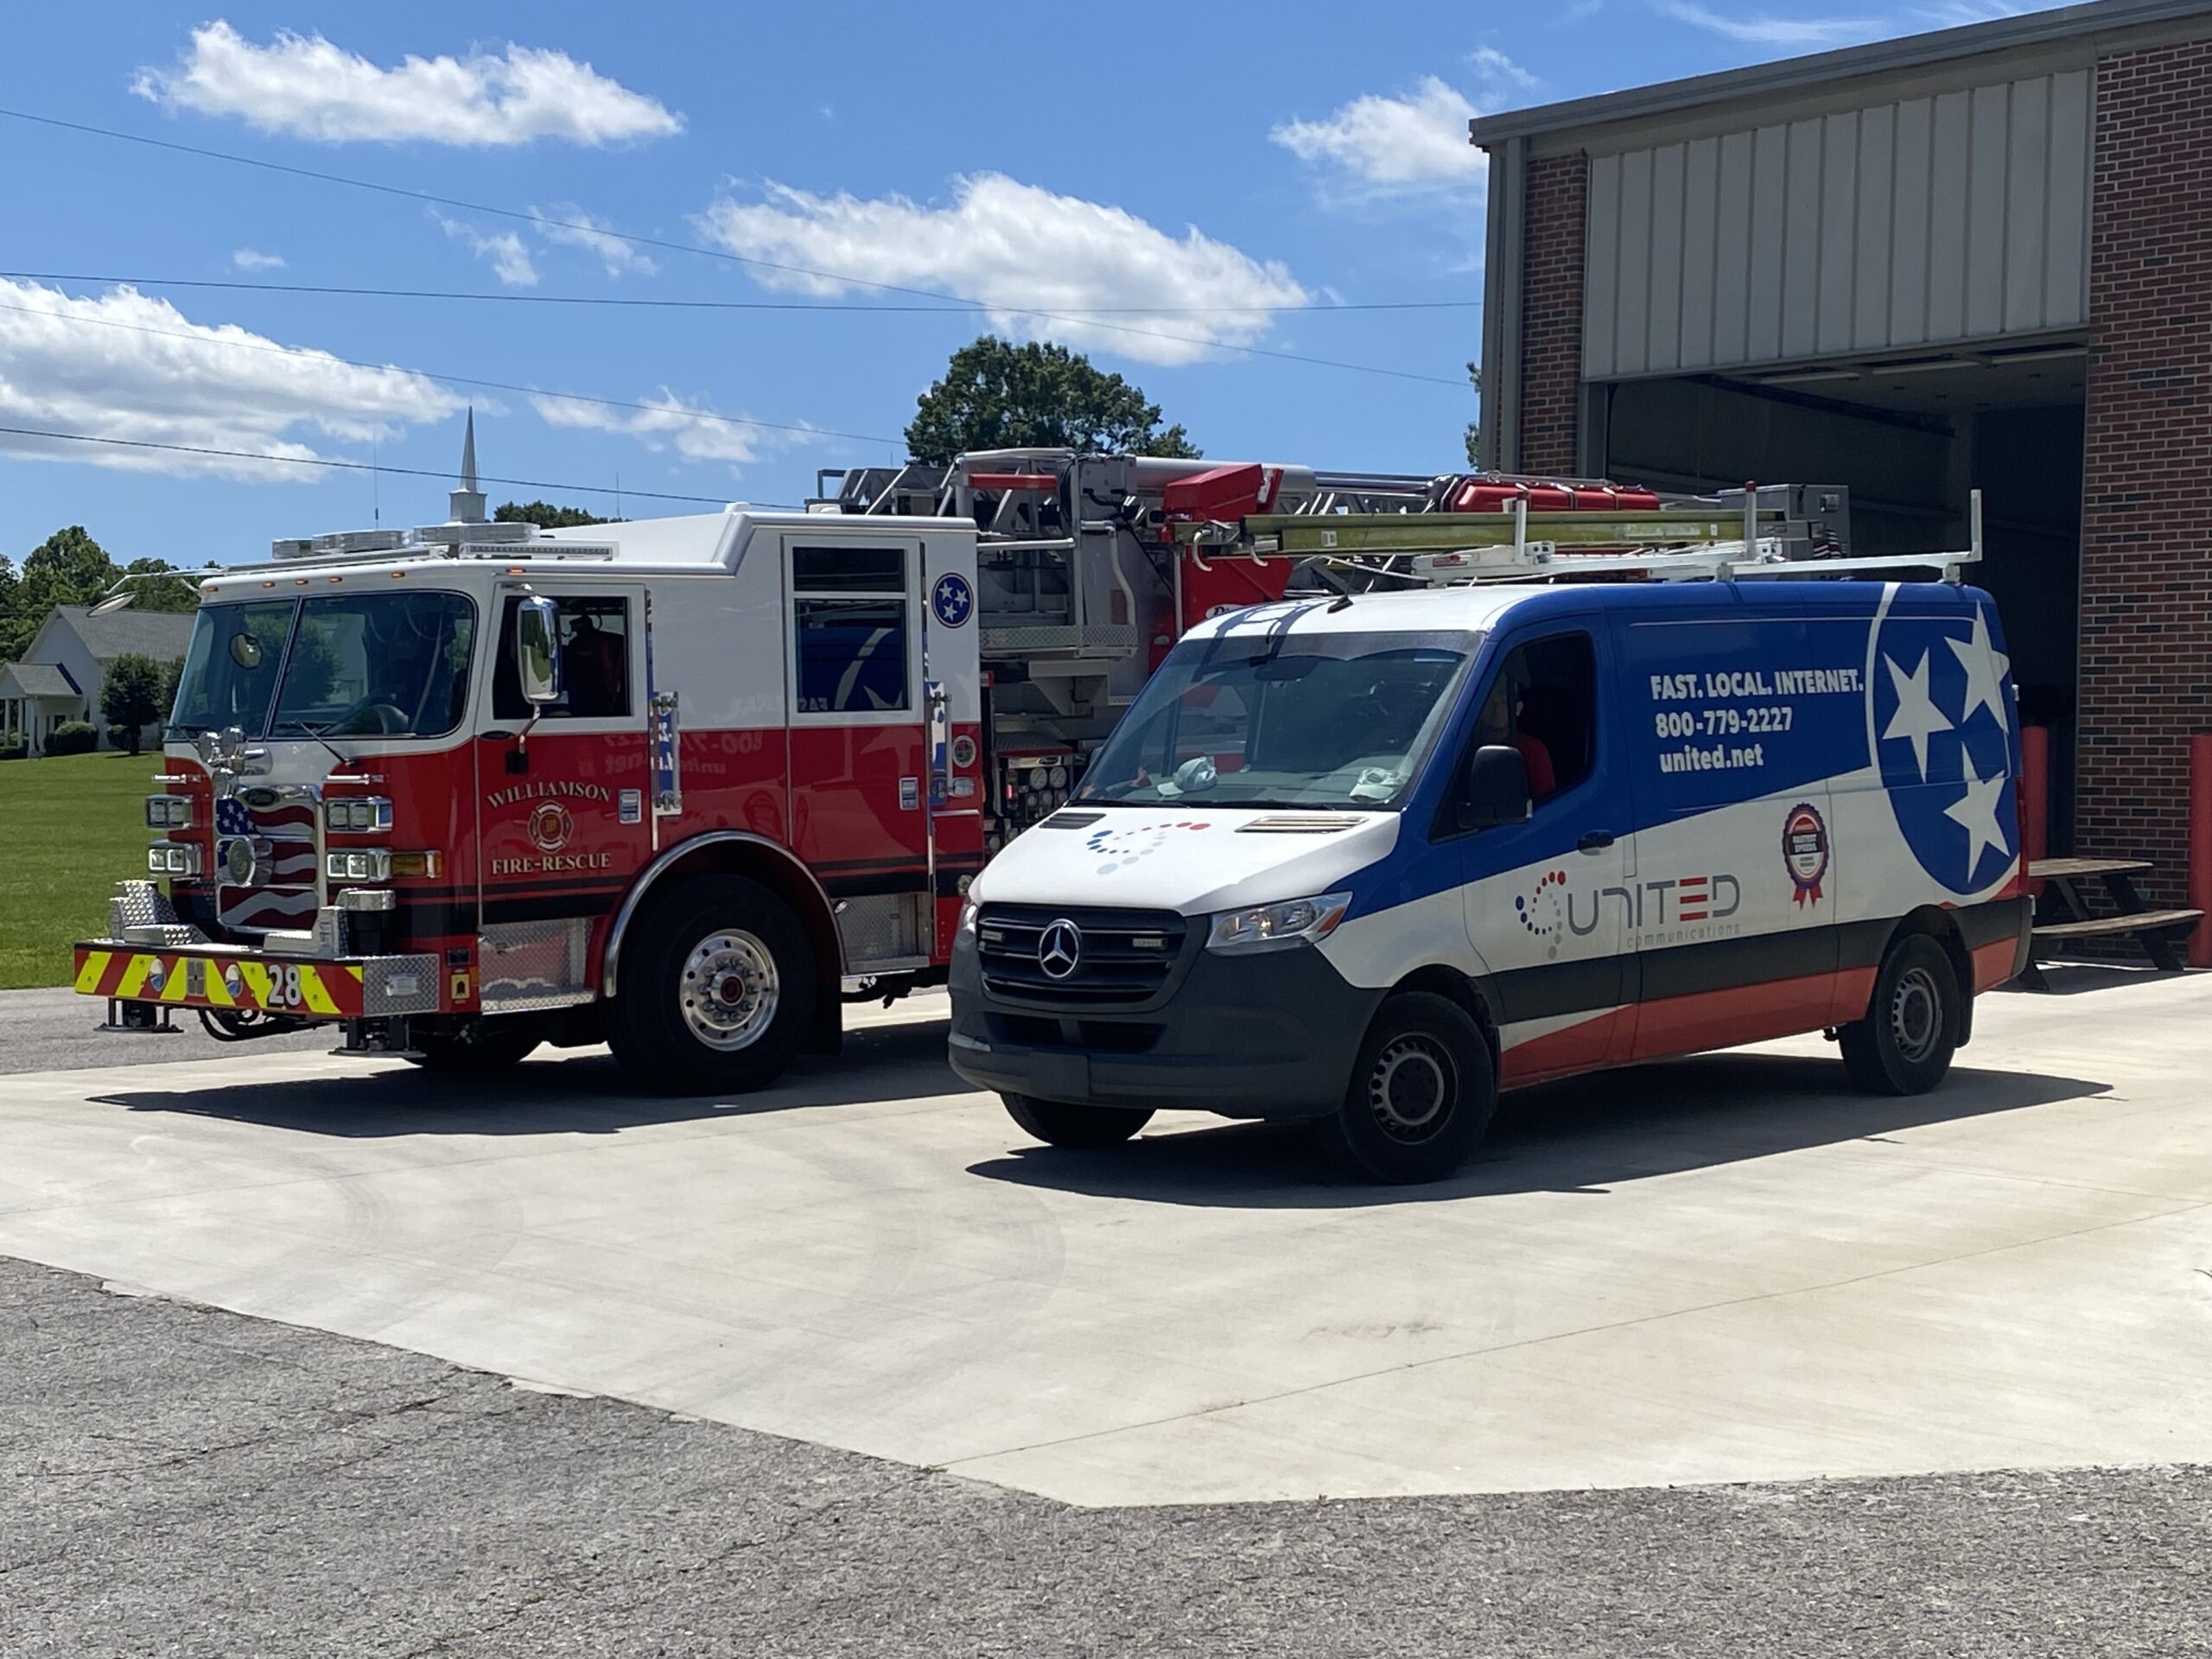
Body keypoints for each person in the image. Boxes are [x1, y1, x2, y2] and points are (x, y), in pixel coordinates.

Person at [1477, 674, 1556, 803]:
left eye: (1503, 702)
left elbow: (1546, 807)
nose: (1497, 710)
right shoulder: (1461, 747)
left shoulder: (1533, 751)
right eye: (1490, 702)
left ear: (1518, 708)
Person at [562, 607, 626, 717]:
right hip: (590, 696)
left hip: (600, 695)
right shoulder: (576, 644)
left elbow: (610, 668)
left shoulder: (579, 644)